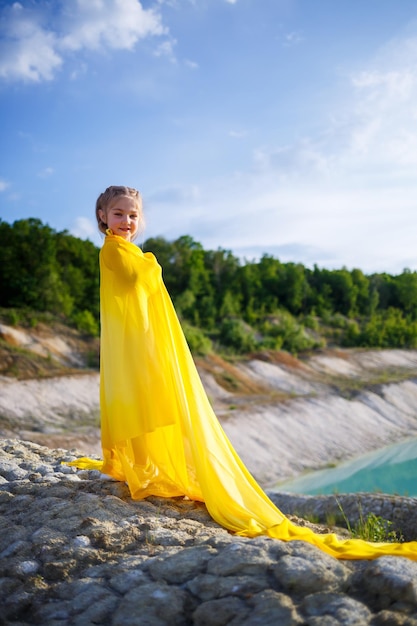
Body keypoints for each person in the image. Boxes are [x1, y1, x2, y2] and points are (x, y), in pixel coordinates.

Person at [69, 185, 417, 561]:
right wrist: (152, 264)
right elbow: (137, 279)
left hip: (141, 343)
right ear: (103, 216)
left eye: (133, 215)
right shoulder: (115, 250)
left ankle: (140, 465)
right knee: (138, 401)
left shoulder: (129, 249)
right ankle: (132, 465)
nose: (126, 221)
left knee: (147, 402)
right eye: (118, 214)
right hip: (134, 345)